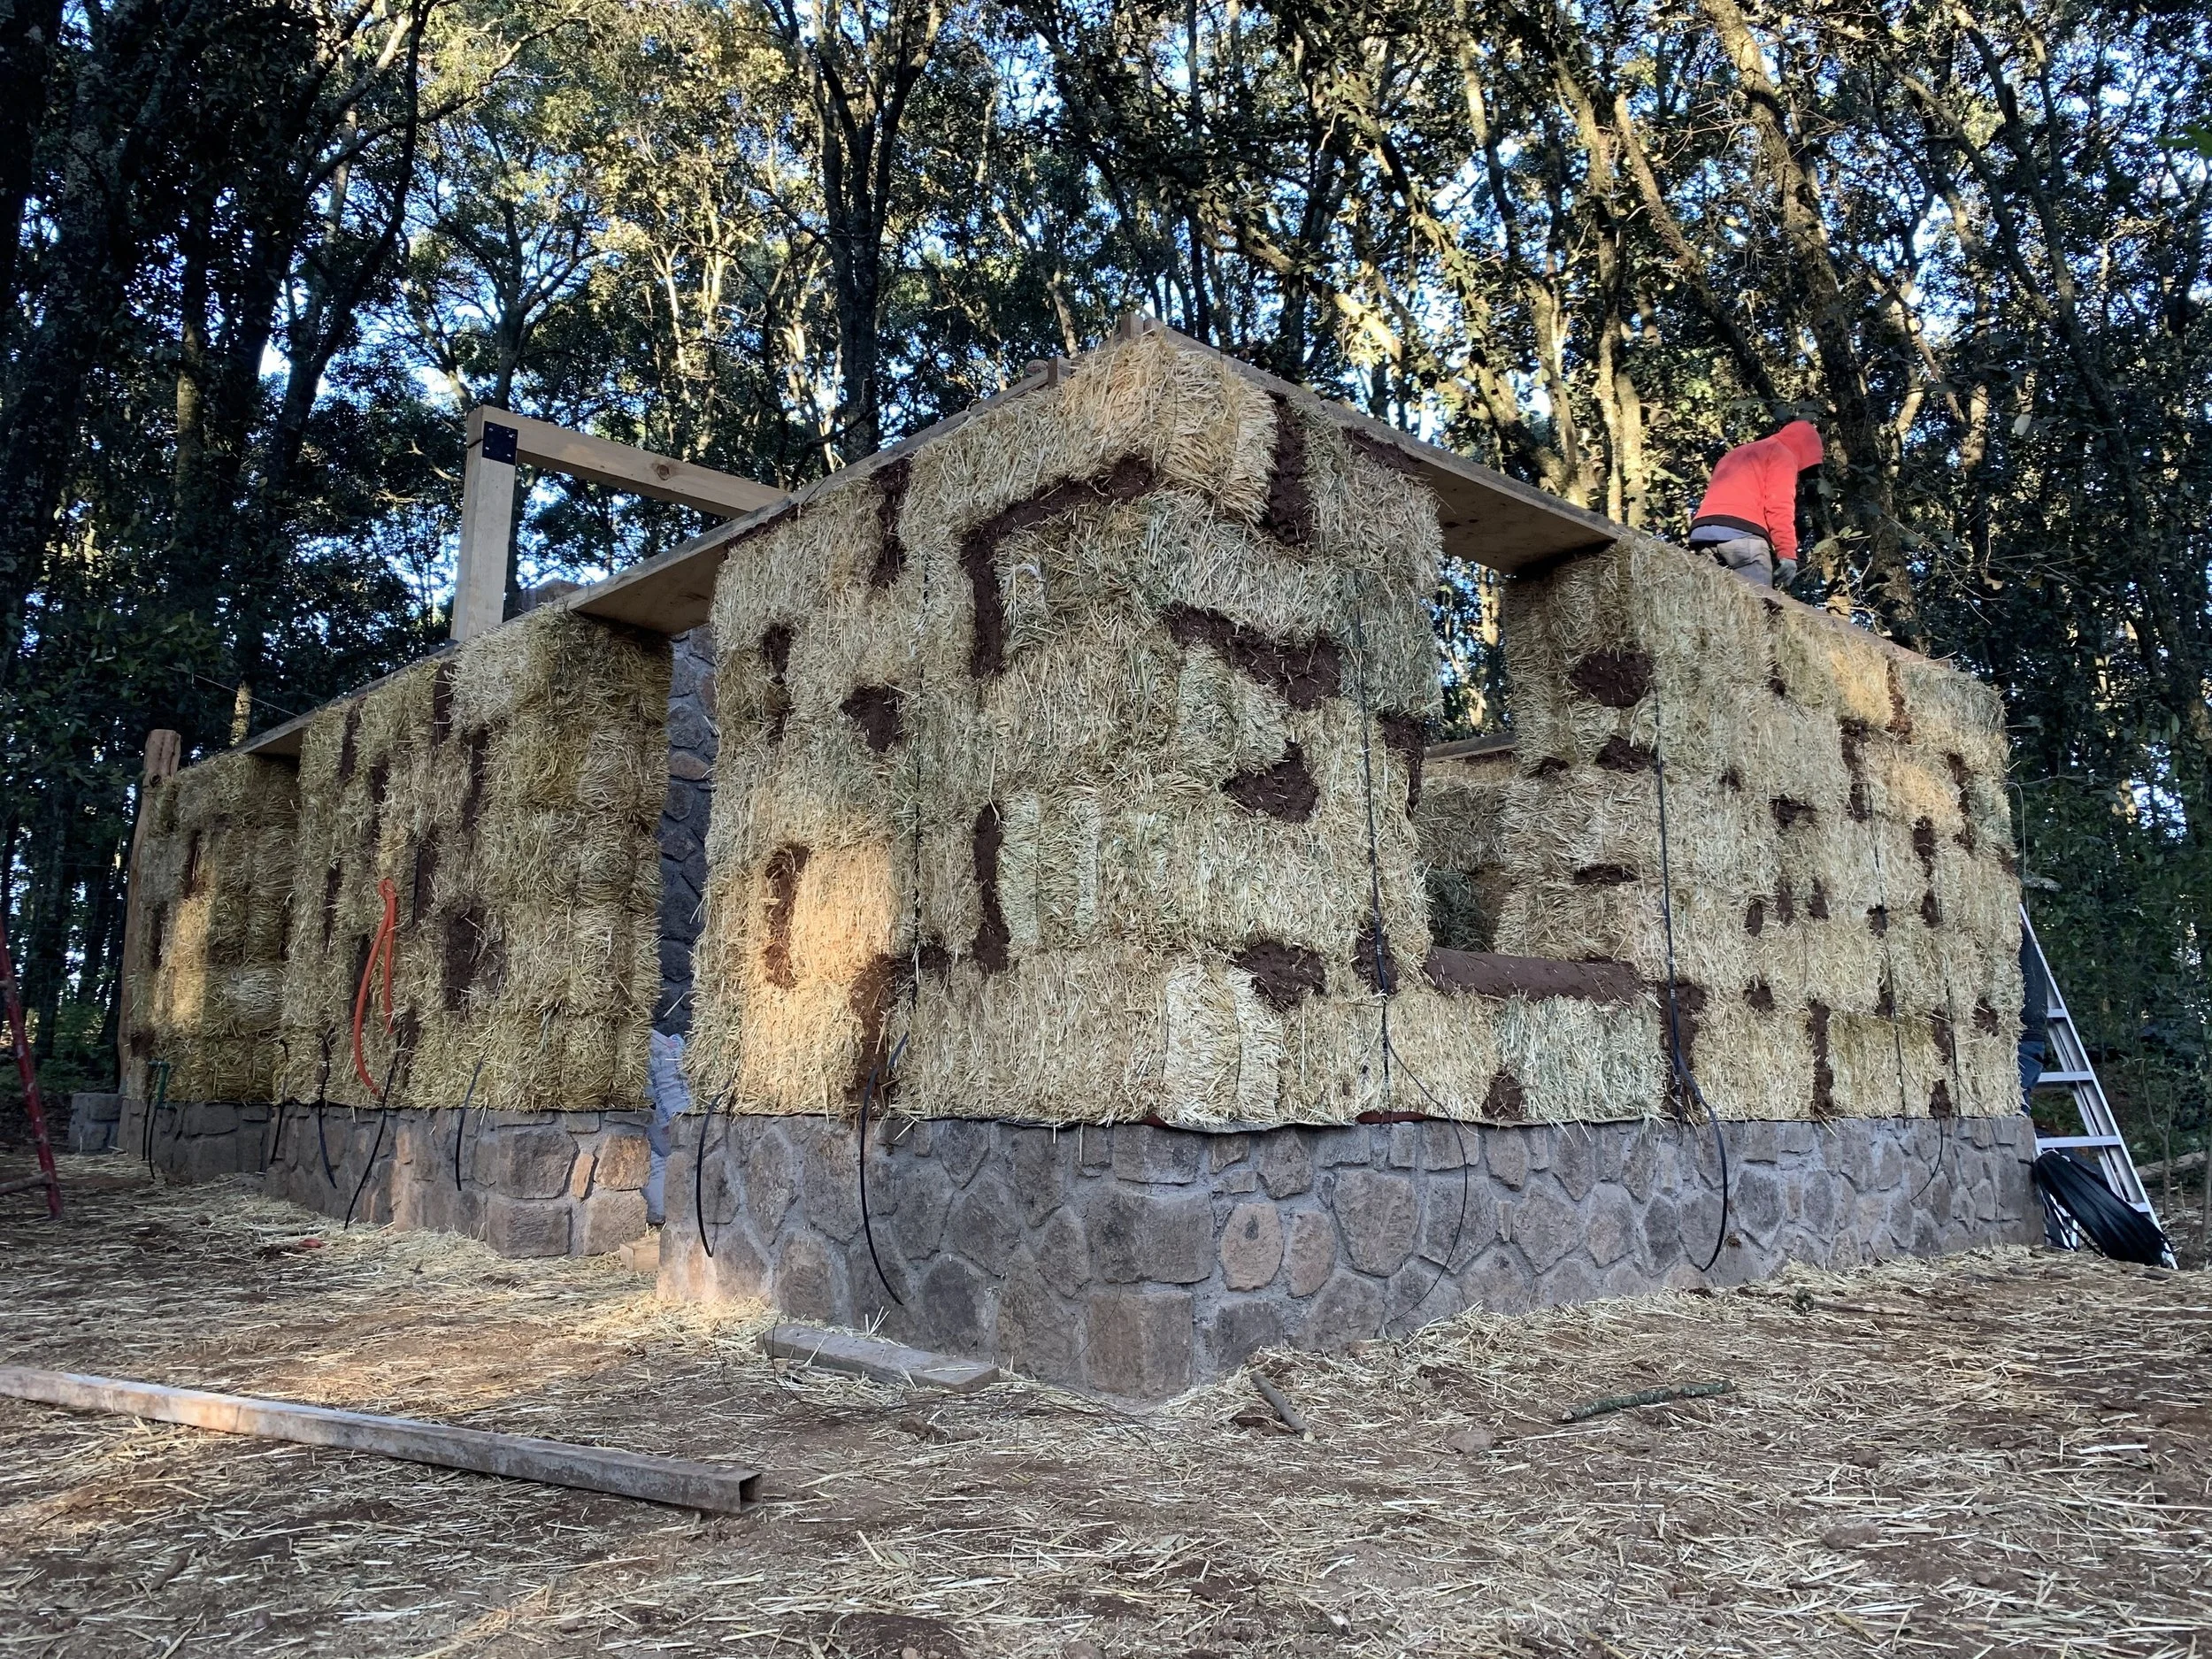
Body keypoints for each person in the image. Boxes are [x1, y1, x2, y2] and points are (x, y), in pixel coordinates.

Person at [1688, 419, 1824, 588]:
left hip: (1703, 532)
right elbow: (1779, 506)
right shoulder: (1783, 454)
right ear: (1805, 451)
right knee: (1759, 603)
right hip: (1742, 534)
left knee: (1712, 601)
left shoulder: (1739, 452)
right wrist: (1787, 554)